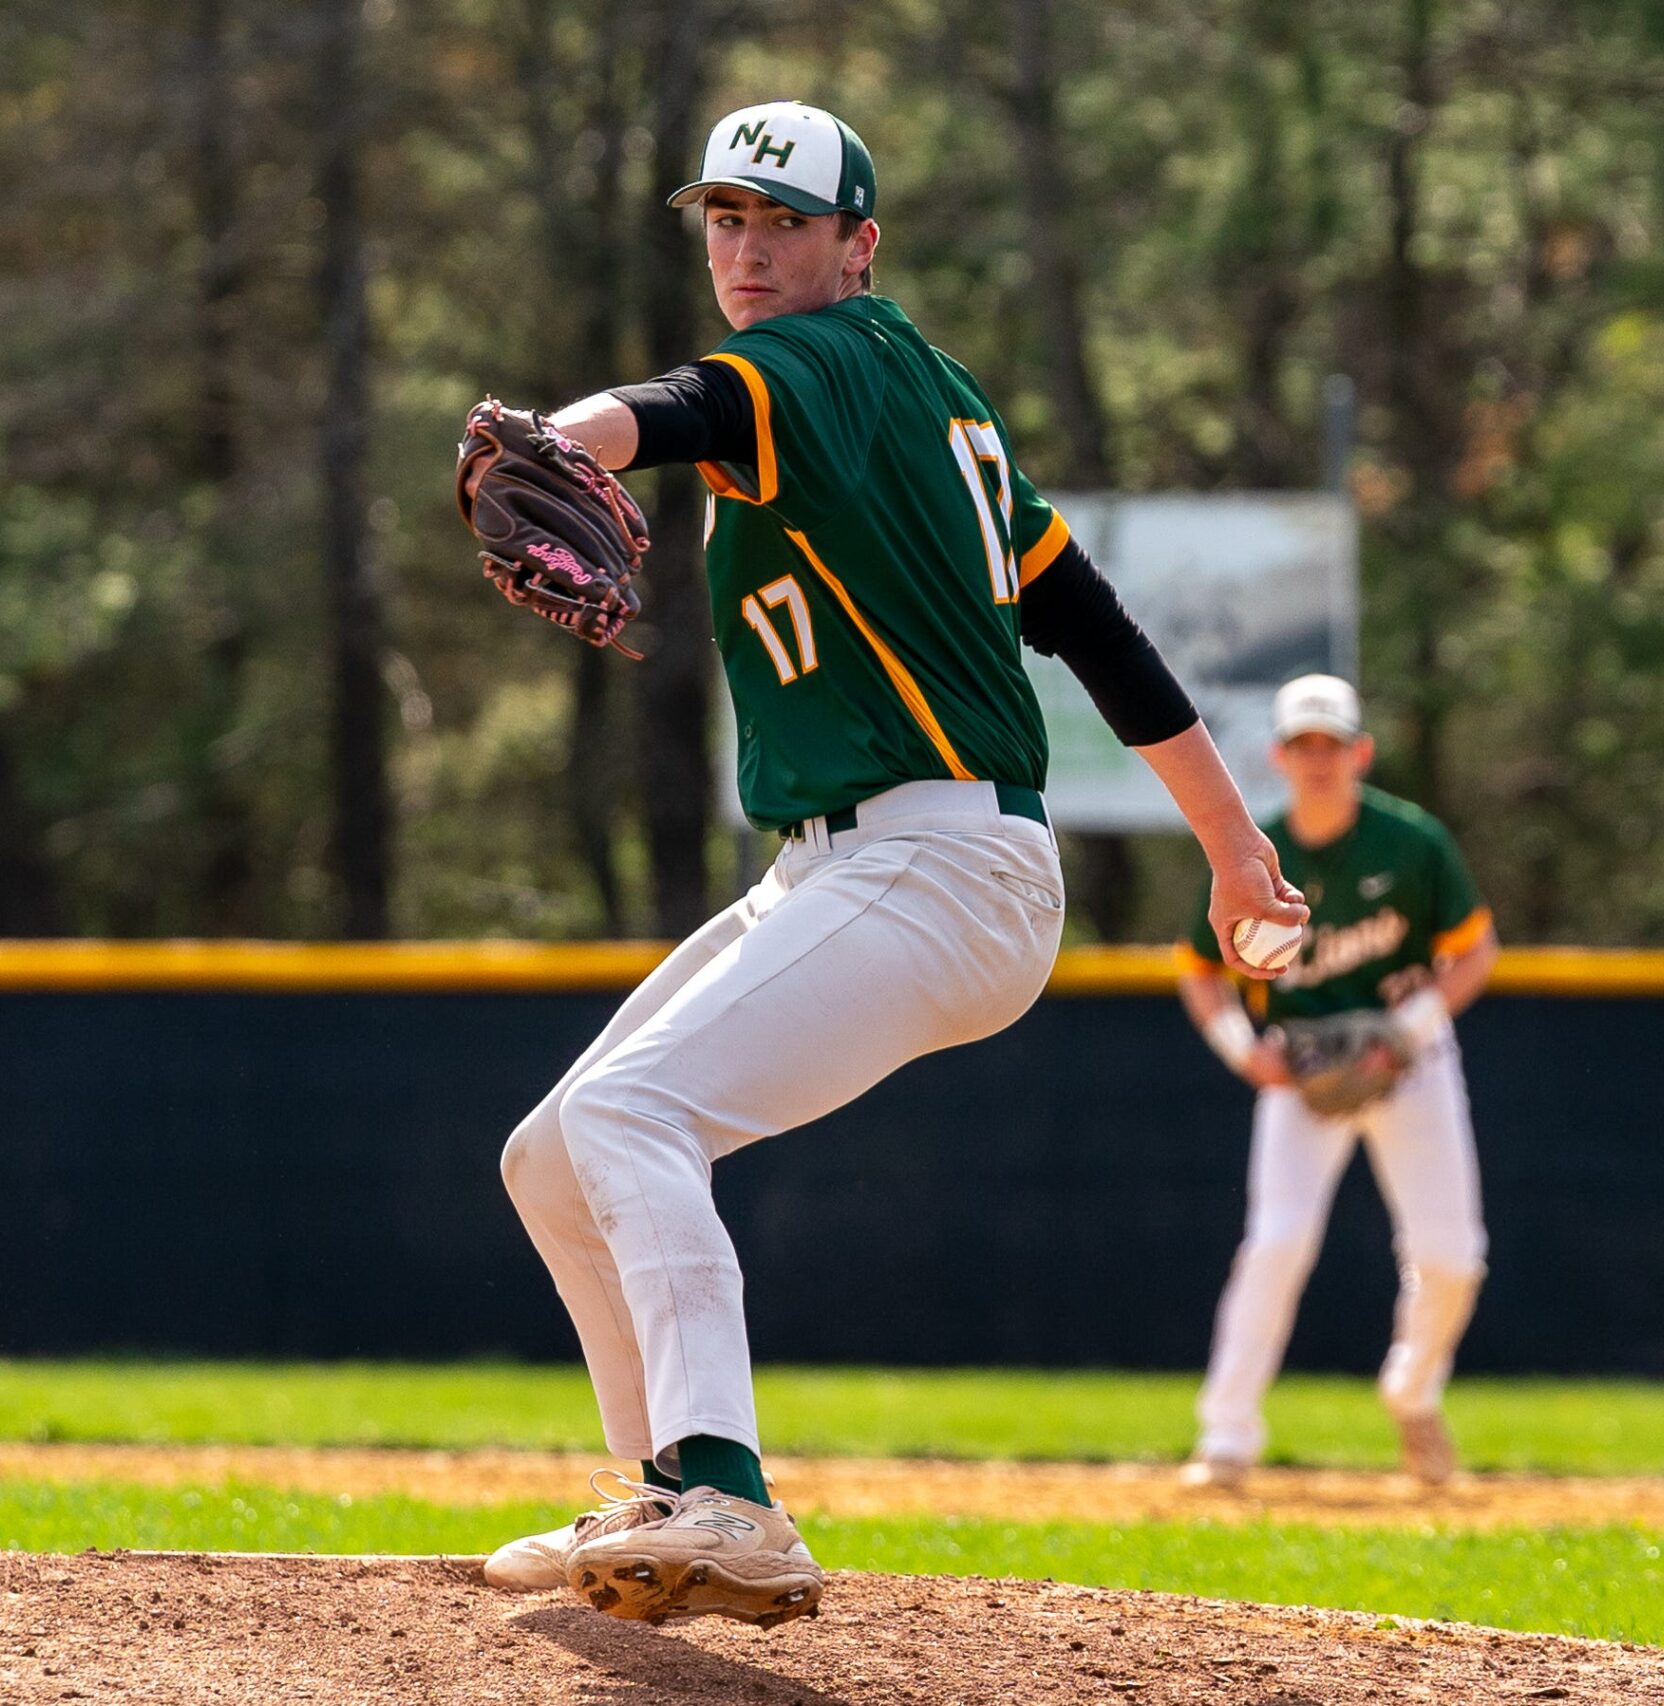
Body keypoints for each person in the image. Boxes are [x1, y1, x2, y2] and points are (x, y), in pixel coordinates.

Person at [480, 99, 1306, 1627]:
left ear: (857, 245)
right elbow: (1093, 628)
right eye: (724, 219)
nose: (748, 249)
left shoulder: (832, 360)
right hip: (871, 866)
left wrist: (554, 442)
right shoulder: (940, 407)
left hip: (934, 862)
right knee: (553, 1152)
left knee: (634, 1111)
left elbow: (679, 408)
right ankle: (664, 1493)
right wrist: (1236, 847)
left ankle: (732, 1495)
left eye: (783, 222)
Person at [1176, 674, 1498, 1488]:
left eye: (1332, 744)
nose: (1319, 760)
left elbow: (1476, 952)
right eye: (1303, 745)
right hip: (1303, 1077)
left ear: (1361, 751)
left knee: (1453, 1257)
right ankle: (1226, 1439)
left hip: (1411, 1064)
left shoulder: (1412, 842)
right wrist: (1242, 1049)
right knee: (1277, 1243)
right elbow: (1198, 969)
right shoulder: (1257, 854)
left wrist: (1404, 1033)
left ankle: (1413, 1391)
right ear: (1279, 756)